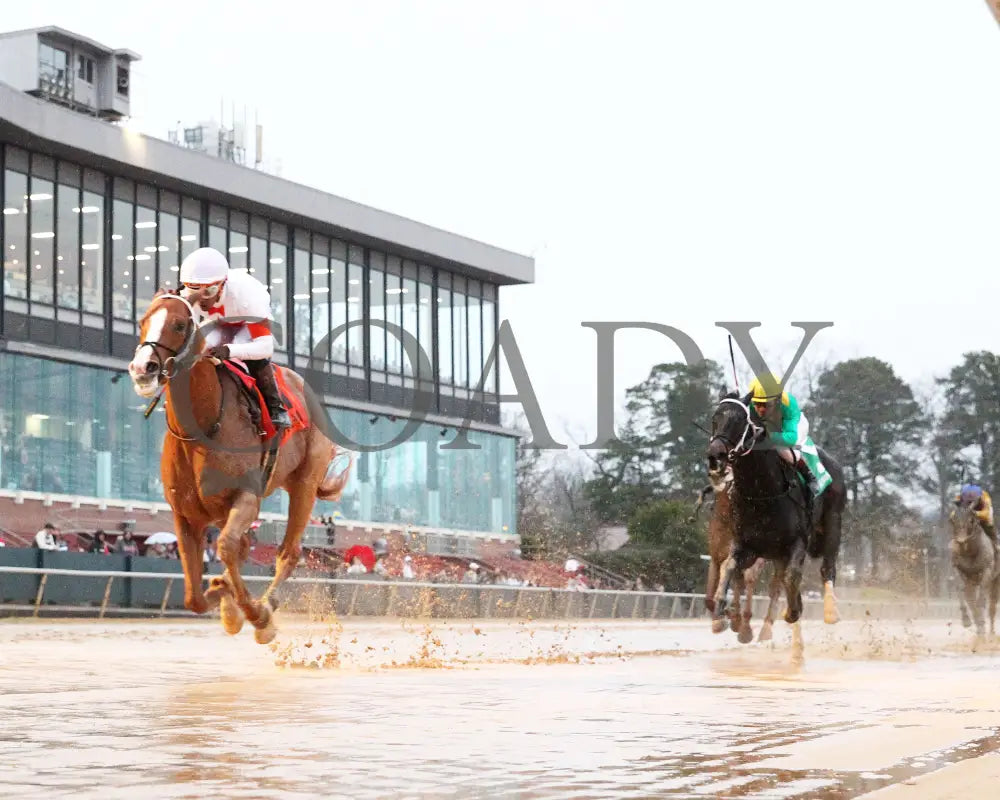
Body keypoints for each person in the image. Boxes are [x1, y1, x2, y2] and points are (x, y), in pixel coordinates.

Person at [178, 247, 290, 429]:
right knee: (193, 349)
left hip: (247, 320)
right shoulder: (185, 296)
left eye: (209, 291)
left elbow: (265, 347)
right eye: (194, 290)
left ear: (223, 284)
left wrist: (230, 350)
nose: (202, 299)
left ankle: (276, 407)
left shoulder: (247, 297)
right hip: (217, 321)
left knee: (250, 355)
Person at [742, 373, 821, 520]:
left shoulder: (789, 405)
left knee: (784, 450)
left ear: (776, 400)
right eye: (757, 404)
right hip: (769, 427)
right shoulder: (752, 405)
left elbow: (791, 438)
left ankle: (808, 476)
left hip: (791, 429)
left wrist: (769, 436)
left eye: (765, 405)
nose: (759, 409)